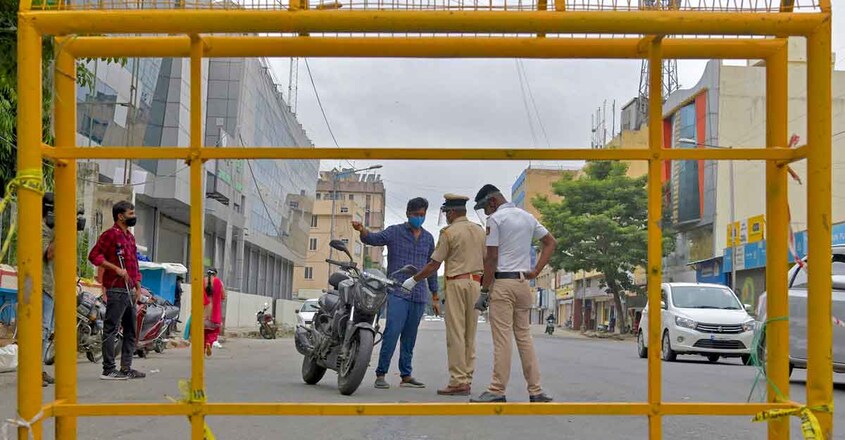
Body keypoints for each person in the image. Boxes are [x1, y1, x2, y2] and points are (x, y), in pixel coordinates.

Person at [470, 184, 556, 403]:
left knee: (502, 339)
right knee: (524, 338)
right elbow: (550, 242)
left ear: (492, 202)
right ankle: (536, 390)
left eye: (486, 208)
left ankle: (497, 389)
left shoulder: (496, 220)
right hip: (523, 285)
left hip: (503, 285)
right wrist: (536, 270)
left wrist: (485, 290)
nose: (486, 213)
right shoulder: (527, 217)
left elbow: (491, 258)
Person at [352, 197, 438, 390]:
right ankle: (381, 374)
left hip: (418, 295)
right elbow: (372, 239)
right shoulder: (395, 232)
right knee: (392, 332)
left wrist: (435, 295)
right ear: (408, 214)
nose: (419, 218)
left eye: (422, 215)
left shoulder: (428, 238)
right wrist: (362, 230)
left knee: (410, 336)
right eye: (416, 214)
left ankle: (406, 375)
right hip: (397, 291)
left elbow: (432, 267)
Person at [404, 194, 486, 396]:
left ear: (451, 212)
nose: (446, 217)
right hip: (477, 283)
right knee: (470, 334)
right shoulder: (479, 230)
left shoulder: (449, 233)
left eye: (446, 213)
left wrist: (414, 279)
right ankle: (467, 378)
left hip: (457, 284)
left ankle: (458, 381)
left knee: (456, 333)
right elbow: (489, 259)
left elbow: (434, 264)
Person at [88, 201, 146, 380]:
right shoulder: (110, 235)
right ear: (120, 216)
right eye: (131, 213)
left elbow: (134, 265)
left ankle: (126, 367)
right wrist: (115, 268)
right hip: (116, 288)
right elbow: (94, 256)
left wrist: (138, 286)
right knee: (111, 329)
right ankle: (108, 369)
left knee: (131, 330)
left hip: (129, 291)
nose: (133, 216)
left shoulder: (130, 237)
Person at [41, 193, 56, 387]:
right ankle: (35, 370)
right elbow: (49, 254)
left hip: (53, 287)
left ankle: (40, 369)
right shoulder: (42, 229)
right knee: (42, 330)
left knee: (48, 330)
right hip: (43, 286)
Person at [203, 268, 226, 356]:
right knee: (213, 331)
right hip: (214, 314)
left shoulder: (202, 281)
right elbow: (223, 296)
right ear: (215, 274)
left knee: (203, 333)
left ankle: (203, 349)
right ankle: (209, 342)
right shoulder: (219, 282)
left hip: (203, 313)